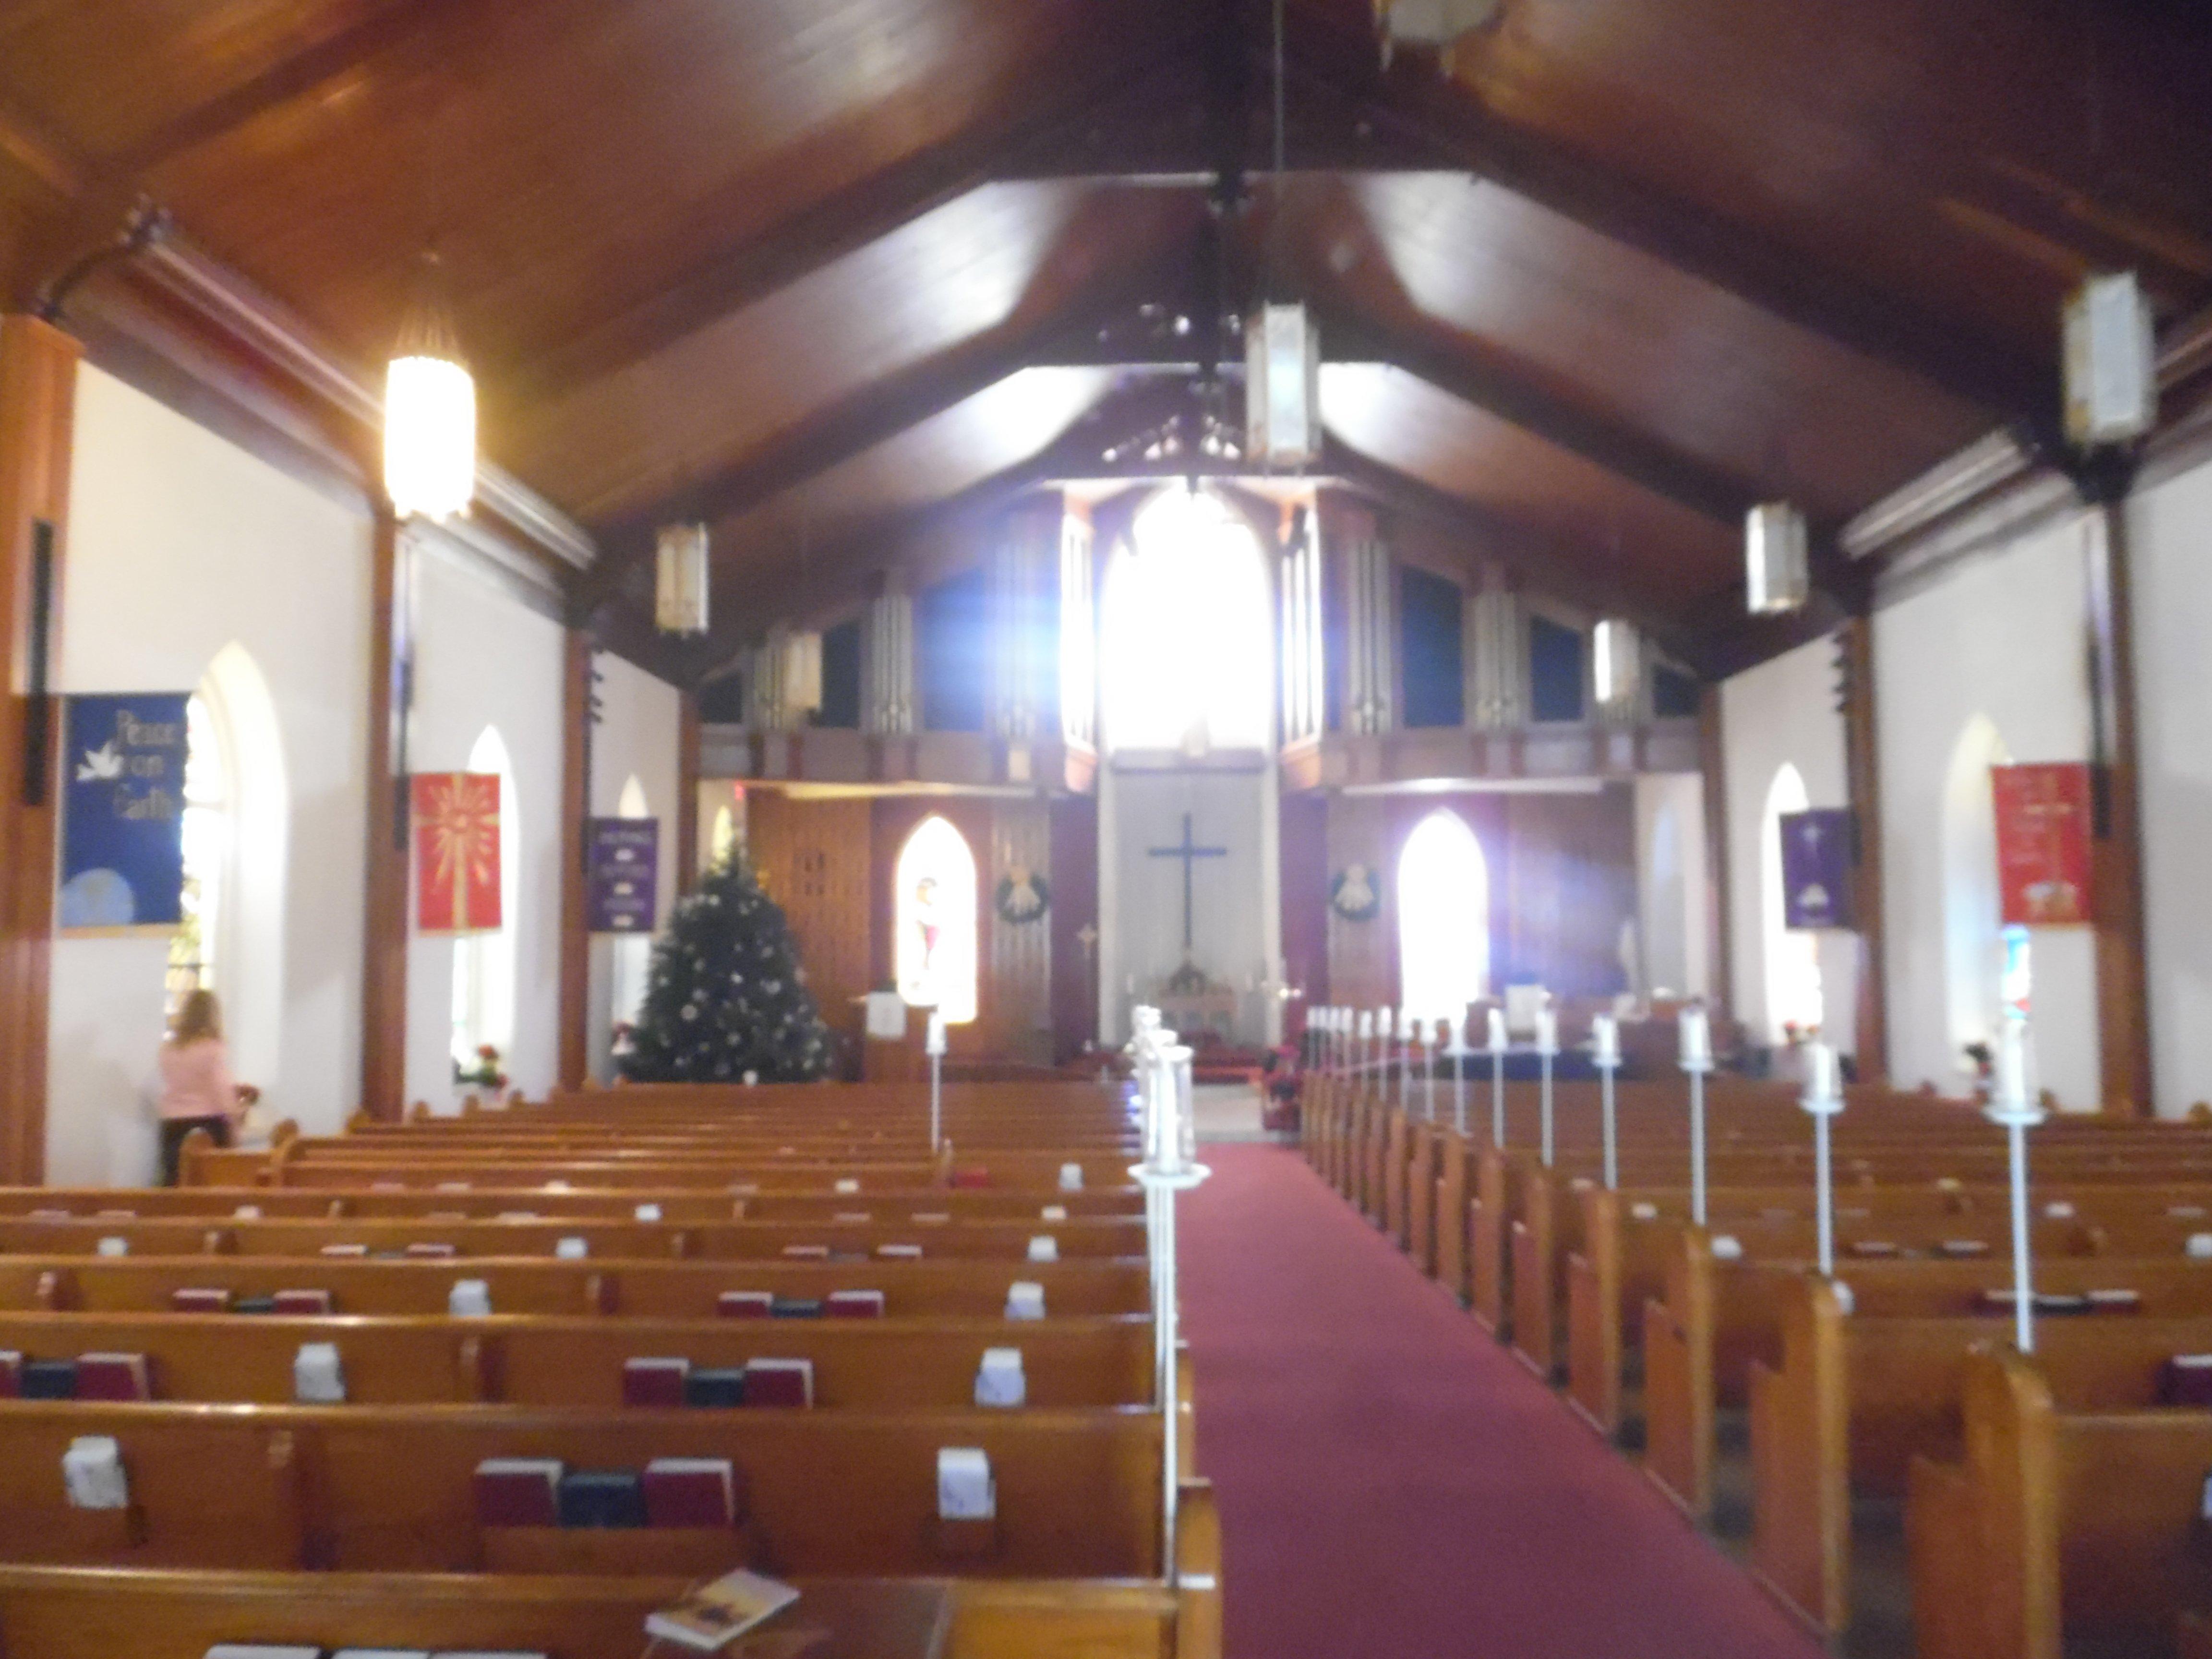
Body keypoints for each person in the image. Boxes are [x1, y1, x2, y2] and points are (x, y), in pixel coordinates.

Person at [156, 989, 252, 1185]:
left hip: (172, 1124)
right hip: (207, 1124)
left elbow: (180, 1083)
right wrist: (236, 1123)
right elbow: (222, 1093)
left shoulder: (168, 1049)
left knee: (176, 1182)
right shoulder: (212, 1048)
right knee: (209, 1187)